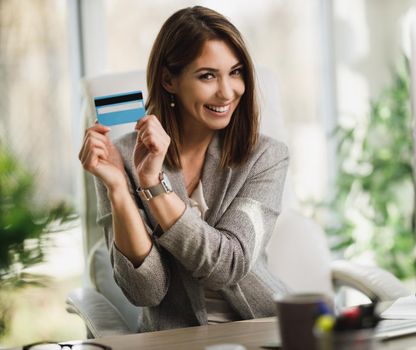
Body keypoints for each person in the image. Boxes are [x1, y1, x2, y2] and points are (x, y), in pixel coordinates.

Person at [78, 6, 289, 332]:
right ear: (168, 80)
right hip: (173, 339)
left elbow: (229, 265)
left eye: (235, 72)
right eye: (207, 75)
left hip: (262, 328)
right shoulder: (120, 159)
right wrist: (119, 188)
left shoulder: (266, 156)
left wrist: (155, 186)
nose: (227, 91)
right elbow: (145, 291)